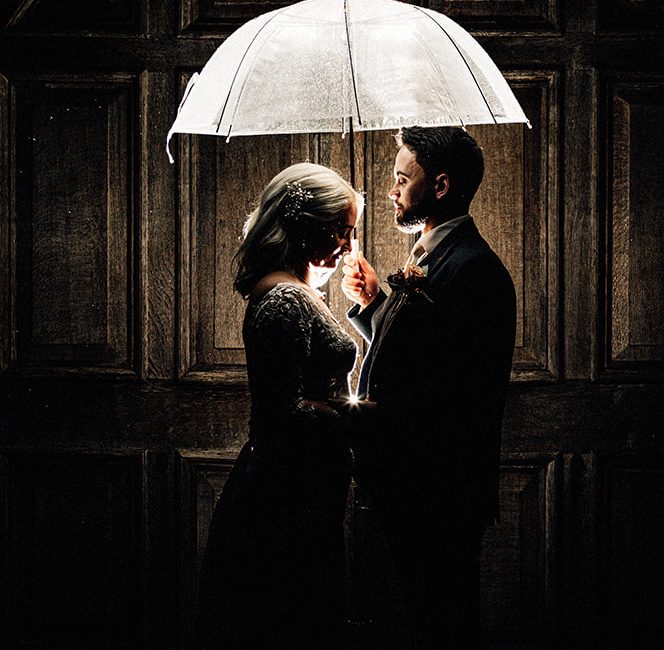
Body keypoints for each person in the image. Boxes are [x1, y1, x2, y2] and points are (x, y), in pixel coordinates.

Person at [340, 126, 516, 649]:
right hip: (413, 484)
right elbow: (419, 357)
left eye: (401, 179)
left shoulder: (474, 270)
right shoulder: (431, 255)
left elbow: (457, 393)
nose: (391, 191)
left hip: (439, 489)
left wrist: (365, 414)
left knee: (441, 622)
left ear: (440, 186)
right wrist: (375, 305)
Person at [195, 162, 362, 649]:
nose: (348, 247)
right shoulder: (285, 300)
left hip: (304, 486)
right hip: (286, 494)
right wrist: (357, 414)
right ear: (305, 226)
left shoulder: (297, 290)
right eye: (341, 232)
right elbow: (279, 416)